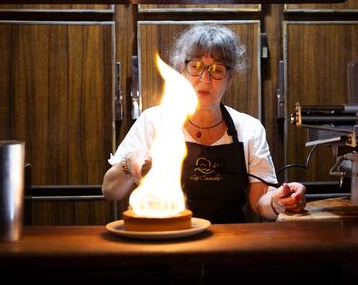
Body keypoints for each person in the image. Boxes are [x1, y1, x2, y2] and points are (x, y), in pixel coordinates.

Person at [102, 24, 306, 223]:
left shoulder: (249, 129)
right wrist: (128, 164)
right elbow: (110, 192)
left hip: (228, 244)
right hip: (167, 240)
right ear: (182, 70)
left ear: (230, 78)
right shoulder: (153, 121)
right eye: (196, 66)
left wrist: (279, 201)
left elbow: (260, 201)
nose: (205, 78)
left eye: (217, 69)